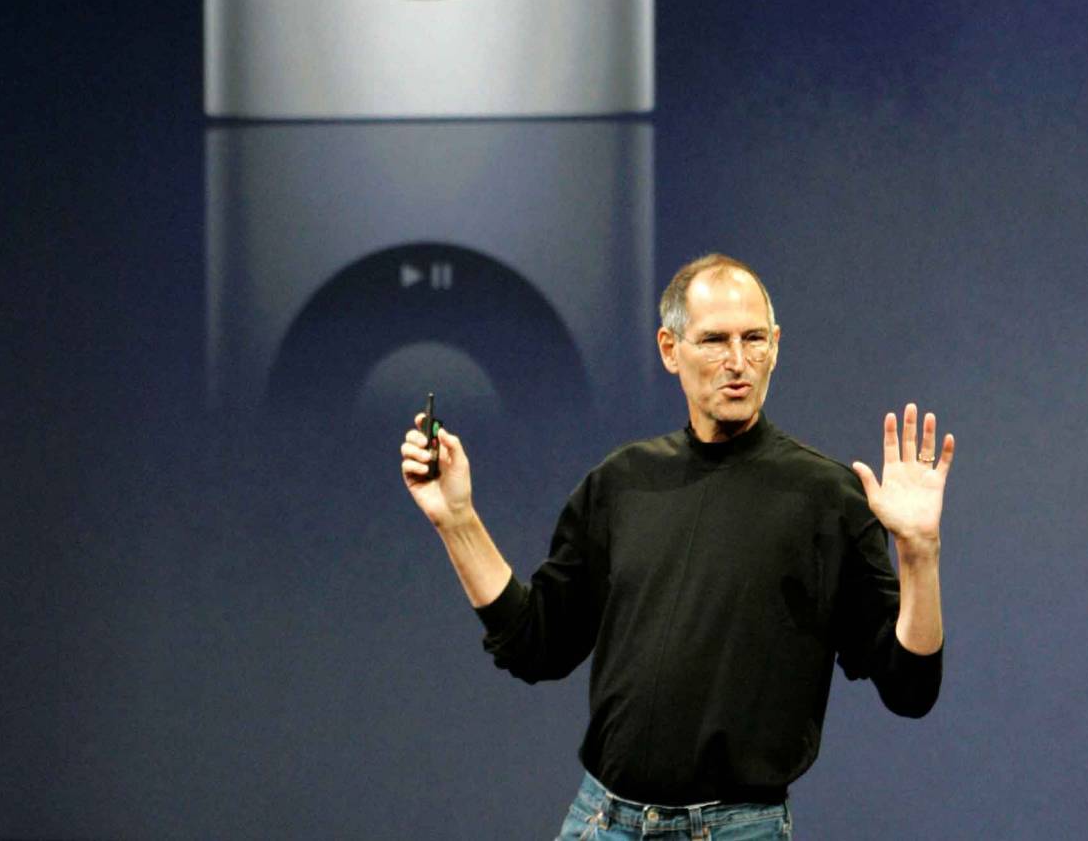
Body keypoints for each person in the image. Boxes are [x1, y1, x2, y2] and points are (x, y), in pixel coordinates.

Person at [400, 252, 953, 839]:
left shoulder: (828, 498)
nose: (738, 362)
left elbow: (910, 687)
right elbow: (535, 644)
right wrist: (457, 520)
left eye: (754, 339)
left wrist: (920, 554)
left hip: (737, 829)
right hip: (602, 821)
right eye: (714, 340)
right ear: (670, 349)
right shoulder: (620, 483)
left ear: (776, 346)